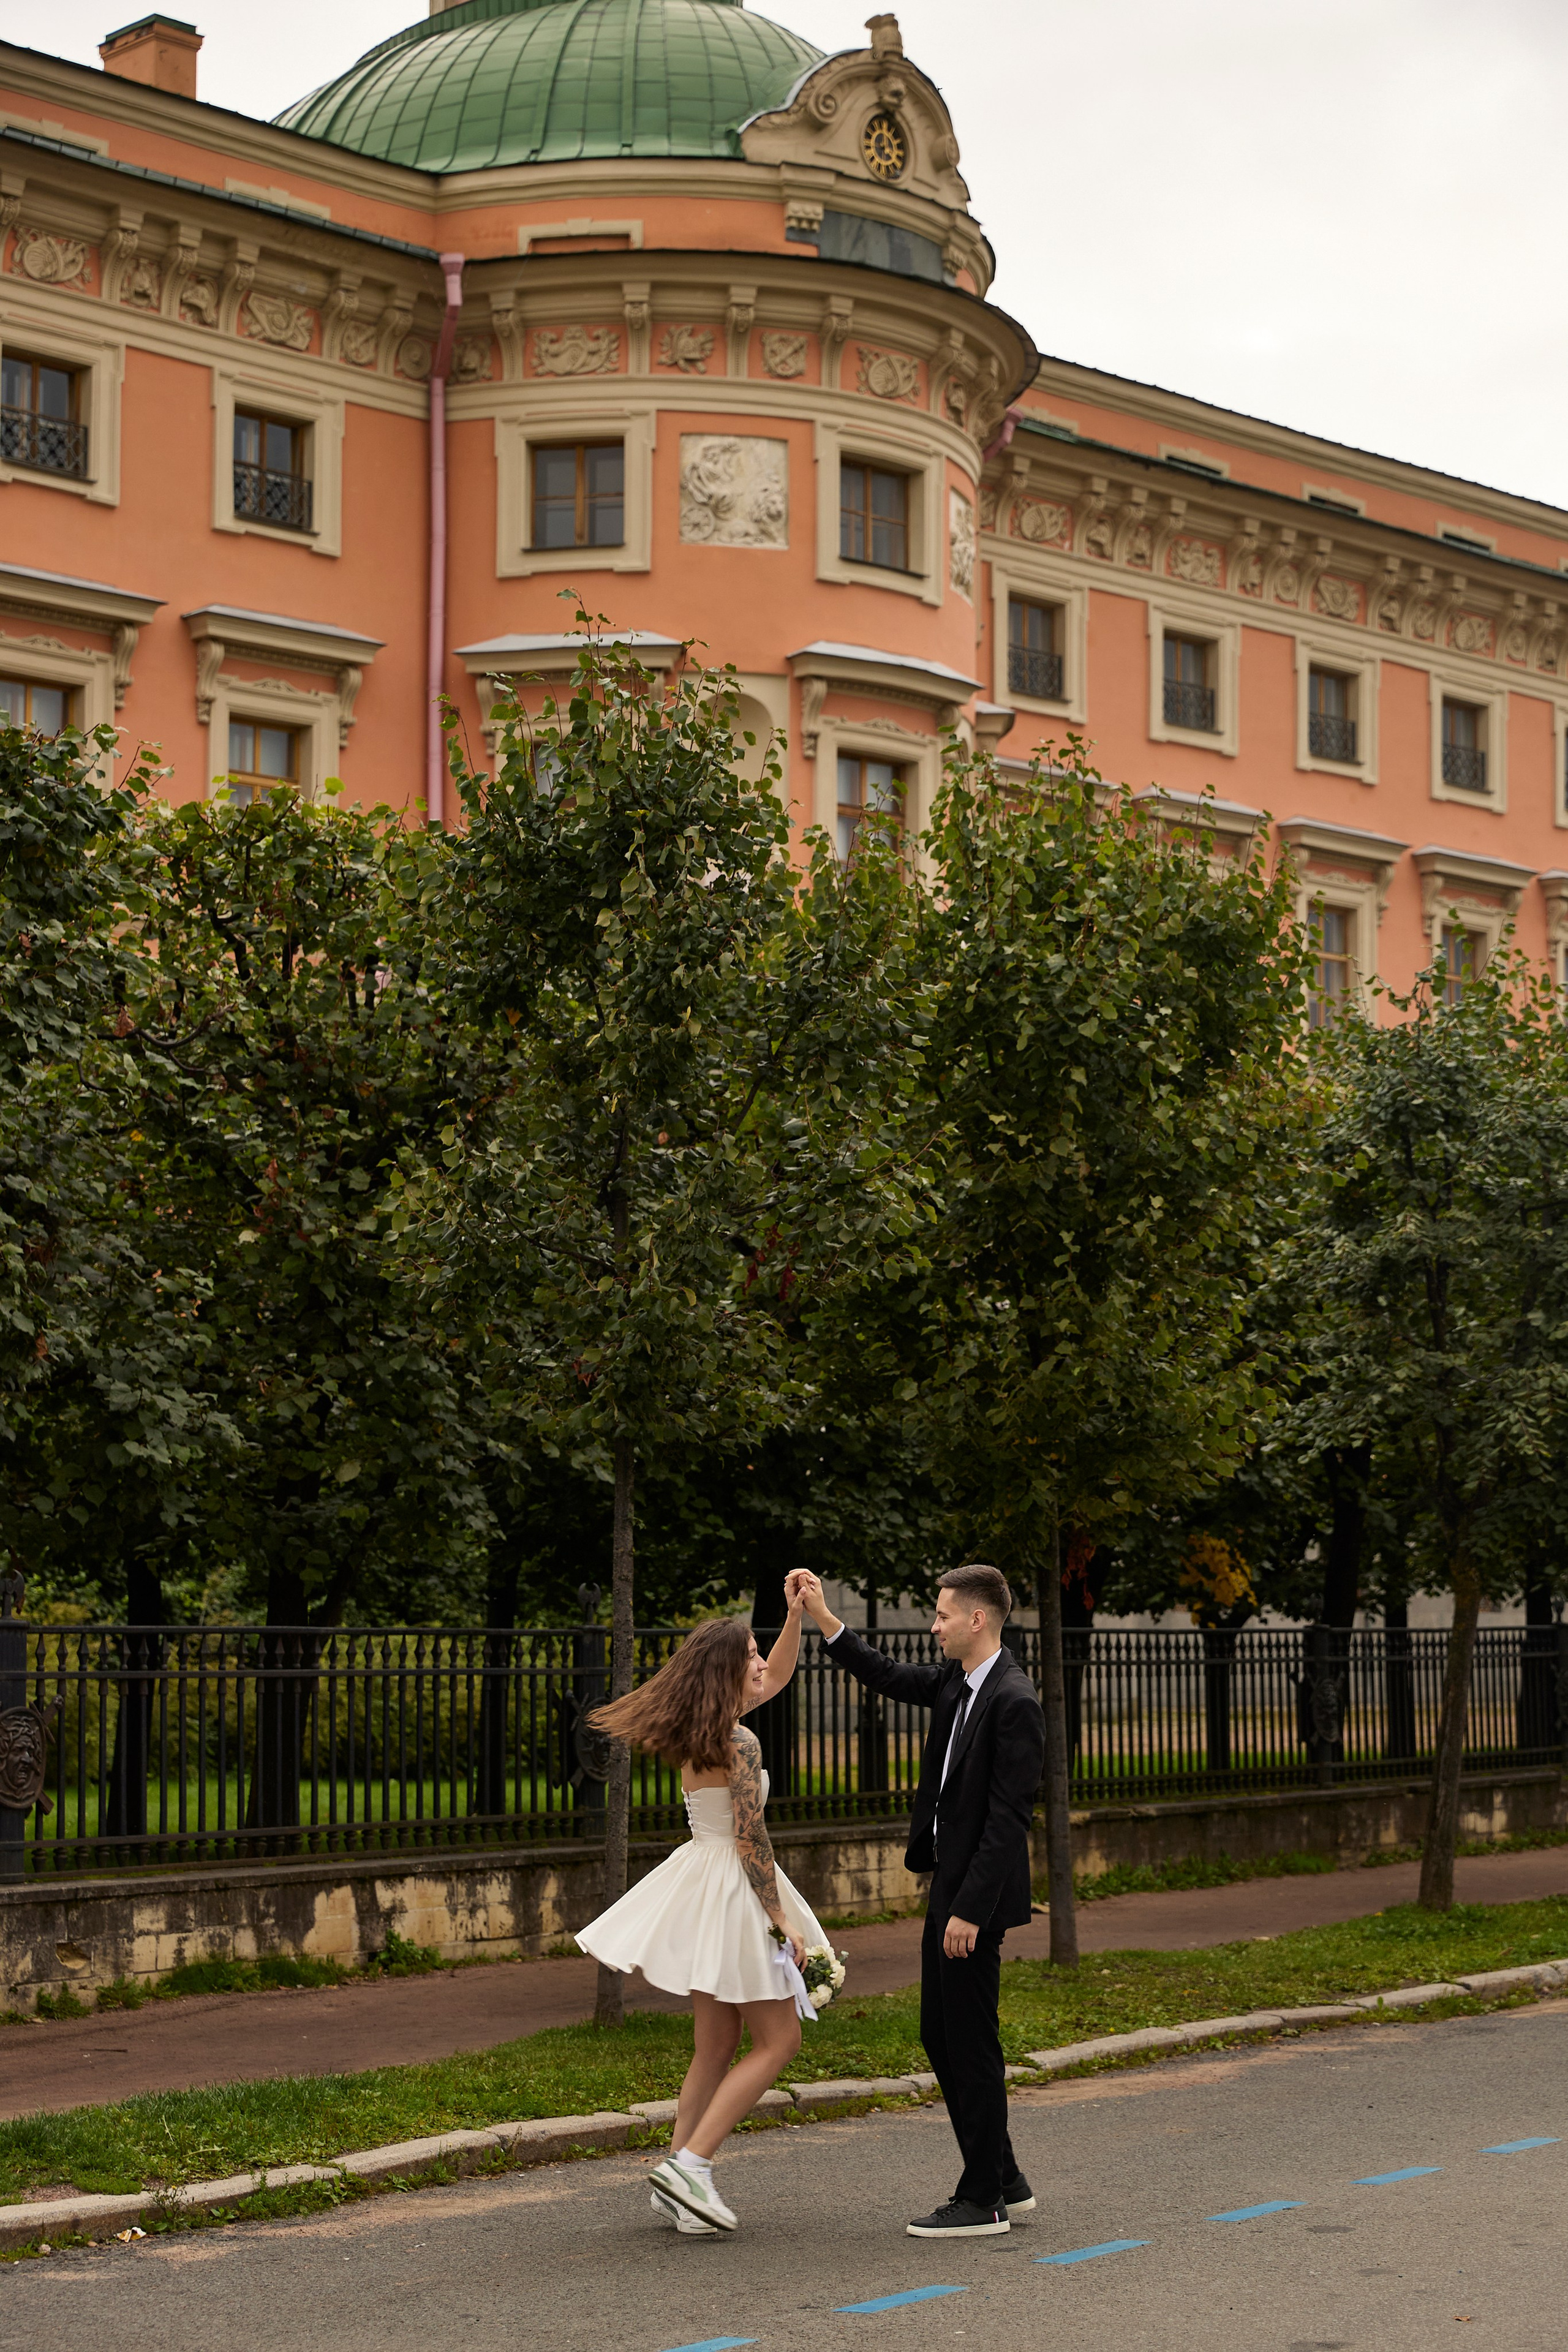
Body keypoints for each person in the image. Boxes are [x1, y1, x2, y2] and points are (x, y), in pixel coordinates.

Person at [788, 1563, 1044, 2239]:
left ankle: (982, 2197)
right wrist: (820, 1612)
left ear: (977, 1620)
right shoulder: (958, 1685)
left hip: (972, 1902)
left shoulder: (1013, 1700)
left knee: (970, 2041)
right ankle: (1006, 2180)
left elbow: (1008, 1819)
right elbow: (885, 1673)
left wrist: (967, 1909)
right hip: (949, 1889)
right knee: (943, 2034)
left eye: (941, 1616)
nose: (933, 1627)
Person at [575, 1591, 827, 2236]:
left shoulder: (707, 1727)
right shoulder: (738, 1740)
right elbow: (750, 1838)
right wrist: (783, 1920)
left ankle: (674, 2182)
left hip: (704, 1879)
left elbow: (780, 1673)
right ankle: (692, 2166)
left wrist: (795, 1618)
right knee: (781, 2039)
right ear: (724, 1671)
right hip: (737, 1886)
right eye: (747, 1656)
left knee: (715, 2045)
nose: (758, 1665)